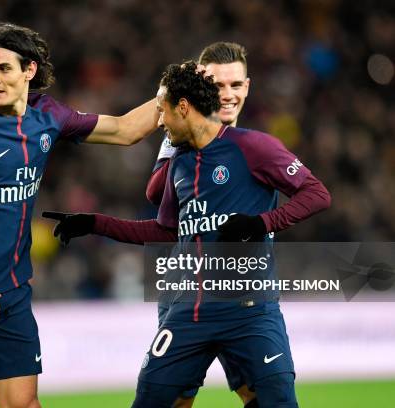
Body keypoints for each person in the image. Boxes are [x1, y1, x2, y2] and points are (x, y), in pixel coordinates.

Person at [43, 61, 331, 407]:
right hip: (190, 313)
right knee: (149, 399)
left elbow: (317, 195)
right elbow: (167, 232)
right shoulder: (178, 165)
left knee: (277, 401)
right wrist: (93, 223)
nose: (159, 122)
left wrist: (263, 223)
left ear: (183, 107)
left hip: (250, 311)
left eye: (162, 112)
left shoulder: (253, 146)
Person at [0, 22, 158, 408]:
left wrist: (174, 91)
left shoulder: (49, 115)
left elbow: (124, 130)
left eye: (4, 69)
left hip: (12, 293)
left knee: (25, 404)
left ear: (29, 71)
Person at [150, 42, 256, 408]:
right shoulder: (179, 140)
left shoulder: (255, 147)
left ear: (247, 86)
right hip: (187, 287)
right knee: (176, 400)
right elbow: (155, 196)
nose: (226, 94)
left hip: (242, 289)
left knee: (257, 392)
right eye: (216, 85)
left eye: (235, 85)